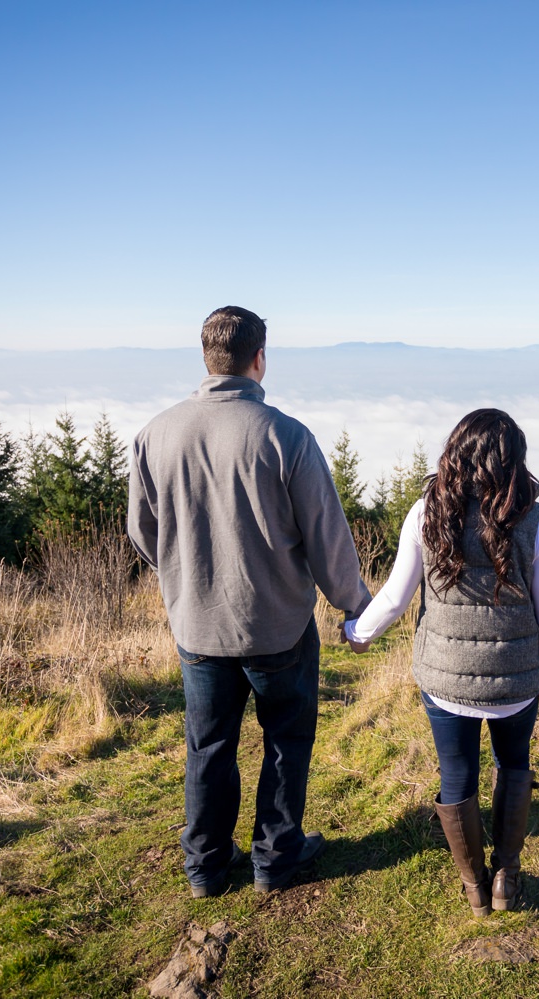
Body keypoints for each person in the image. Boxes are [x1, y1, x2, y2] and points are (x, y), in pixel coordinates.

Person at [127, 306, 371, 898]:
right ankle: (274, 860)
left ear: (206, 358)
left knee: (208, 746)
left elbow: (143, 530)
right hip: (279, 628)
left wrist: (185, 576)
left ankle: (205, 868)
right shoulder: (286, 436)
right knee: (287, 741)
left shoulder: (155, 434)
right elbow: (326, 537)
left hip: (197, 626)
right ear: (260, 358)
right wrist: (354, 603)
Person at [345, 408, 539, 916]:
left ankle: (475, 888)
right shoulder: (534, 523)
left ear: (454, 454)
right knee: (514, 765)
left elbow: (394, 597)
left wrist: (358, 634)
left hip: (444, 682)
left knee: (457, 776)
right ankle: (506, 881)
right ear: (513, 462)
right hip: (516, 683)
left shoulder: (425, 513)